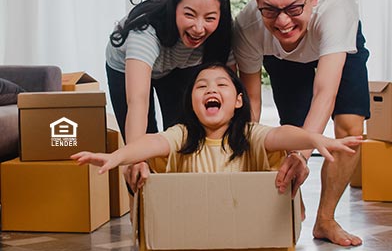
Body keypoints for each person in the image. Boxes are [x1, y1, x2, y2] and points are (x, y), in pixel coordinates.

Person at [233, 0, 370, 247]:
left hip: (335, 44)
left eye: (294, 8)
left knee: (349, 128)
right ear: (256, 0)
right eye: (270, 10)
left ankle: (326, 219)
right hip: (282, 57)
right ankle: (292, 206)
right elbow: (251, 104)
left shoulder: (335, 12)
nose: (282, 21)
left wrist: (303, 155)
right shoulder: (248, 26)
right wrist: (249, 149)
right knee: (291, 131)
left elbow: (325, 93)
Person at [72, 63, 360, 180]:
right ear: (193, 103)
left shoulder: (249, 134)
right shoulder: (182, 135)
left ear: (237, 101)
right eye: (201, 86)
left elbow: (281, 135)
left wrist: (314, 138)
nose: (211, 89)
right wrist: (118, 156)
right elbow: (151, 141)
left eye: (221, 85)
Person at [105, 0, 233, 191]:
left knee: (183, 134)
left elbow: (232, 95)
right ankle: (142, 216)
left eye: (210, 18)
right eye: (189, 15)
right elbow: (138, 101)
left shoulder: (222, 36)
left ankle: (179, 203)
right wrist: (136, 160)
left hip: (178, 66)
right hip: (126, 67)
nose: (199, 28)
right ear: (174, 8)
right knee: (142, 146)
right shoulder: (145, 33)